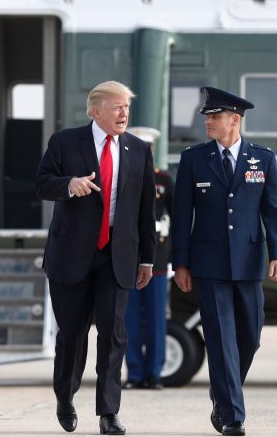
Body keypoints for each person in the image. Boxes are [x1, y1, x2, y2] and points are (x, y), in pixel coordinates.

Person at [35, 81, 157, 436]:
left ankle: (108, 412)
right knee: (72, 334)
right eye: (117, 106)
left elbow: (144, 209)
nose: (124, 113)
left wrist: (147, 259)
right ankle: (65, 397)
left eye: (127, 107)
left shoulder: (138, 149)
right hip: (71, 254)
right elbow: (42, 184)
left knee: (114, 333)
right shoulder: (64, 142)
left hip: (116, 256)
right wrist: (68, 184)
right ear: (95, 110)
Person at [172, 87, 277, 436]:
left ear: (234, 120)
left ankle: (221, 396)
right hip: (207, 265)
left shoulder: (262, 158)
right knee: (221, 340)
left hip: (250, 262)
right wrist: (181, 263)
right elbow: (181, 215)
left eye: (214, 116)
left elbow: (275, 209)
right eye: (206, 116)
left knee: (249, 338)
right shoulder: (193, 158)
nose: (207, 121)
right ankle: (232, 416)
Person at [123, 127, 172, 391]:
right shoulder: (122, 176)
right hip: (128, 258)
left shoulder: (163, 179)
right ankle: (134, 373)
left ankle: (154, 373)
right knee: (129, 320)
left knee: (155, 320)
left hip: (158, 260)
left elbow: (178, 216)